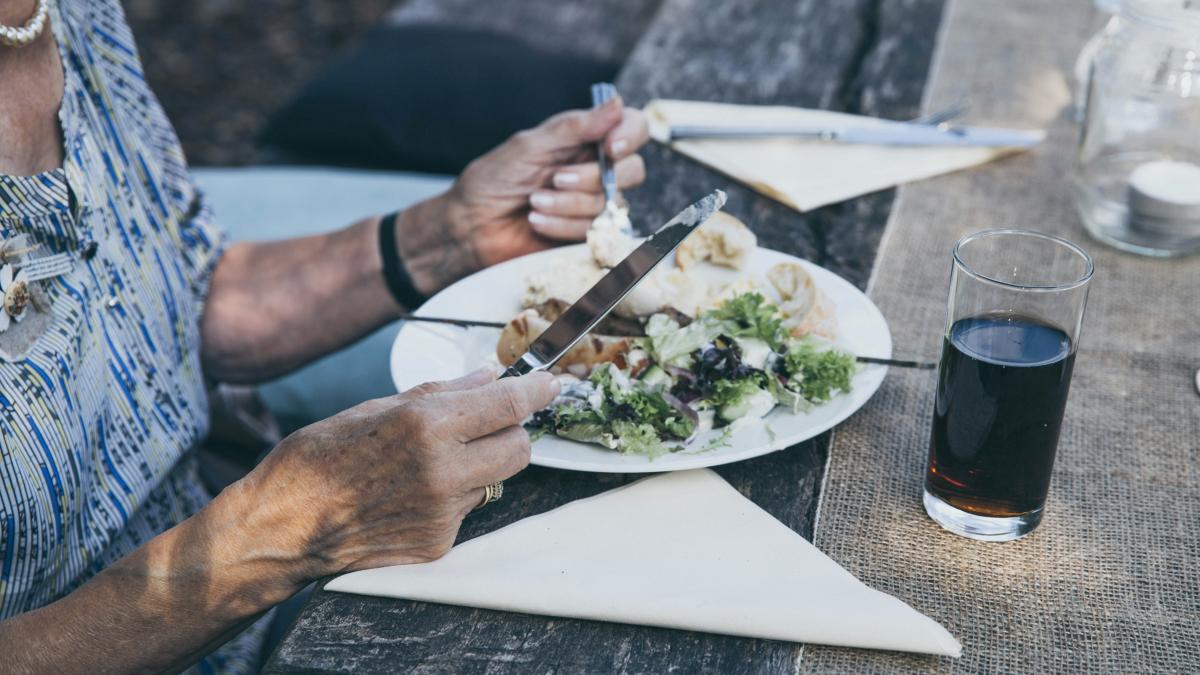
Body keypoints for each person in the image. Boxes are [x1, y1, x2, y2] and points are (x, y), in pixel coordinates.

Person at [0, 0, 649, 671]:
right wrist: (280, 532)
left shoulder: (72, 13)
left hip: (268, 610)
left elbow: (171, 304)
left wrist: (449, 234)